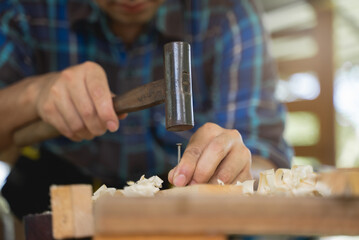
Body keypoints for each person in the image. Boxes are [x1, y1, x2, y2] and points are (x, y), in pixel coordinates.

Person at [0, 0, 292, 219]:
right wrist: (31, 95)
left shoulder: (228, 13)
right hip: (55, 195)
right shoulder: (27, 9)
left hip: (187, 207)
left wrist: (233, 169)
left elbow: (263, 157)